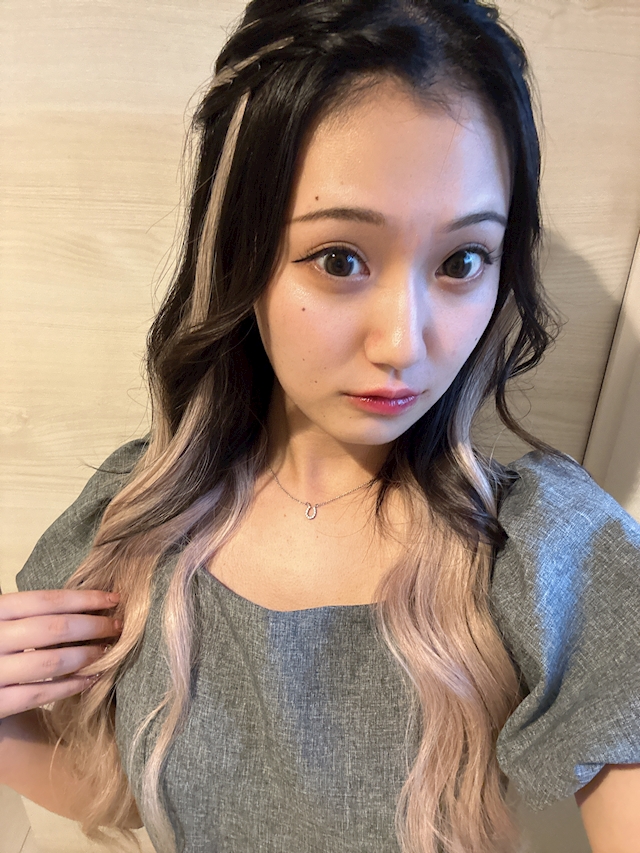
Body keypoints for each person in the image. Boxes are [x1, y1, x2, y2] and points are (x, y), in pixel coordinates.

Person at [1, 0, 639, 851]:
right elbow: (122, 791)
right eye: (340, 259)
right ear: (241, 253)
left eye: (462, 261)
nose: (403, 342)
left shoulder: (545, 550)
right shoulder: (138, 516)